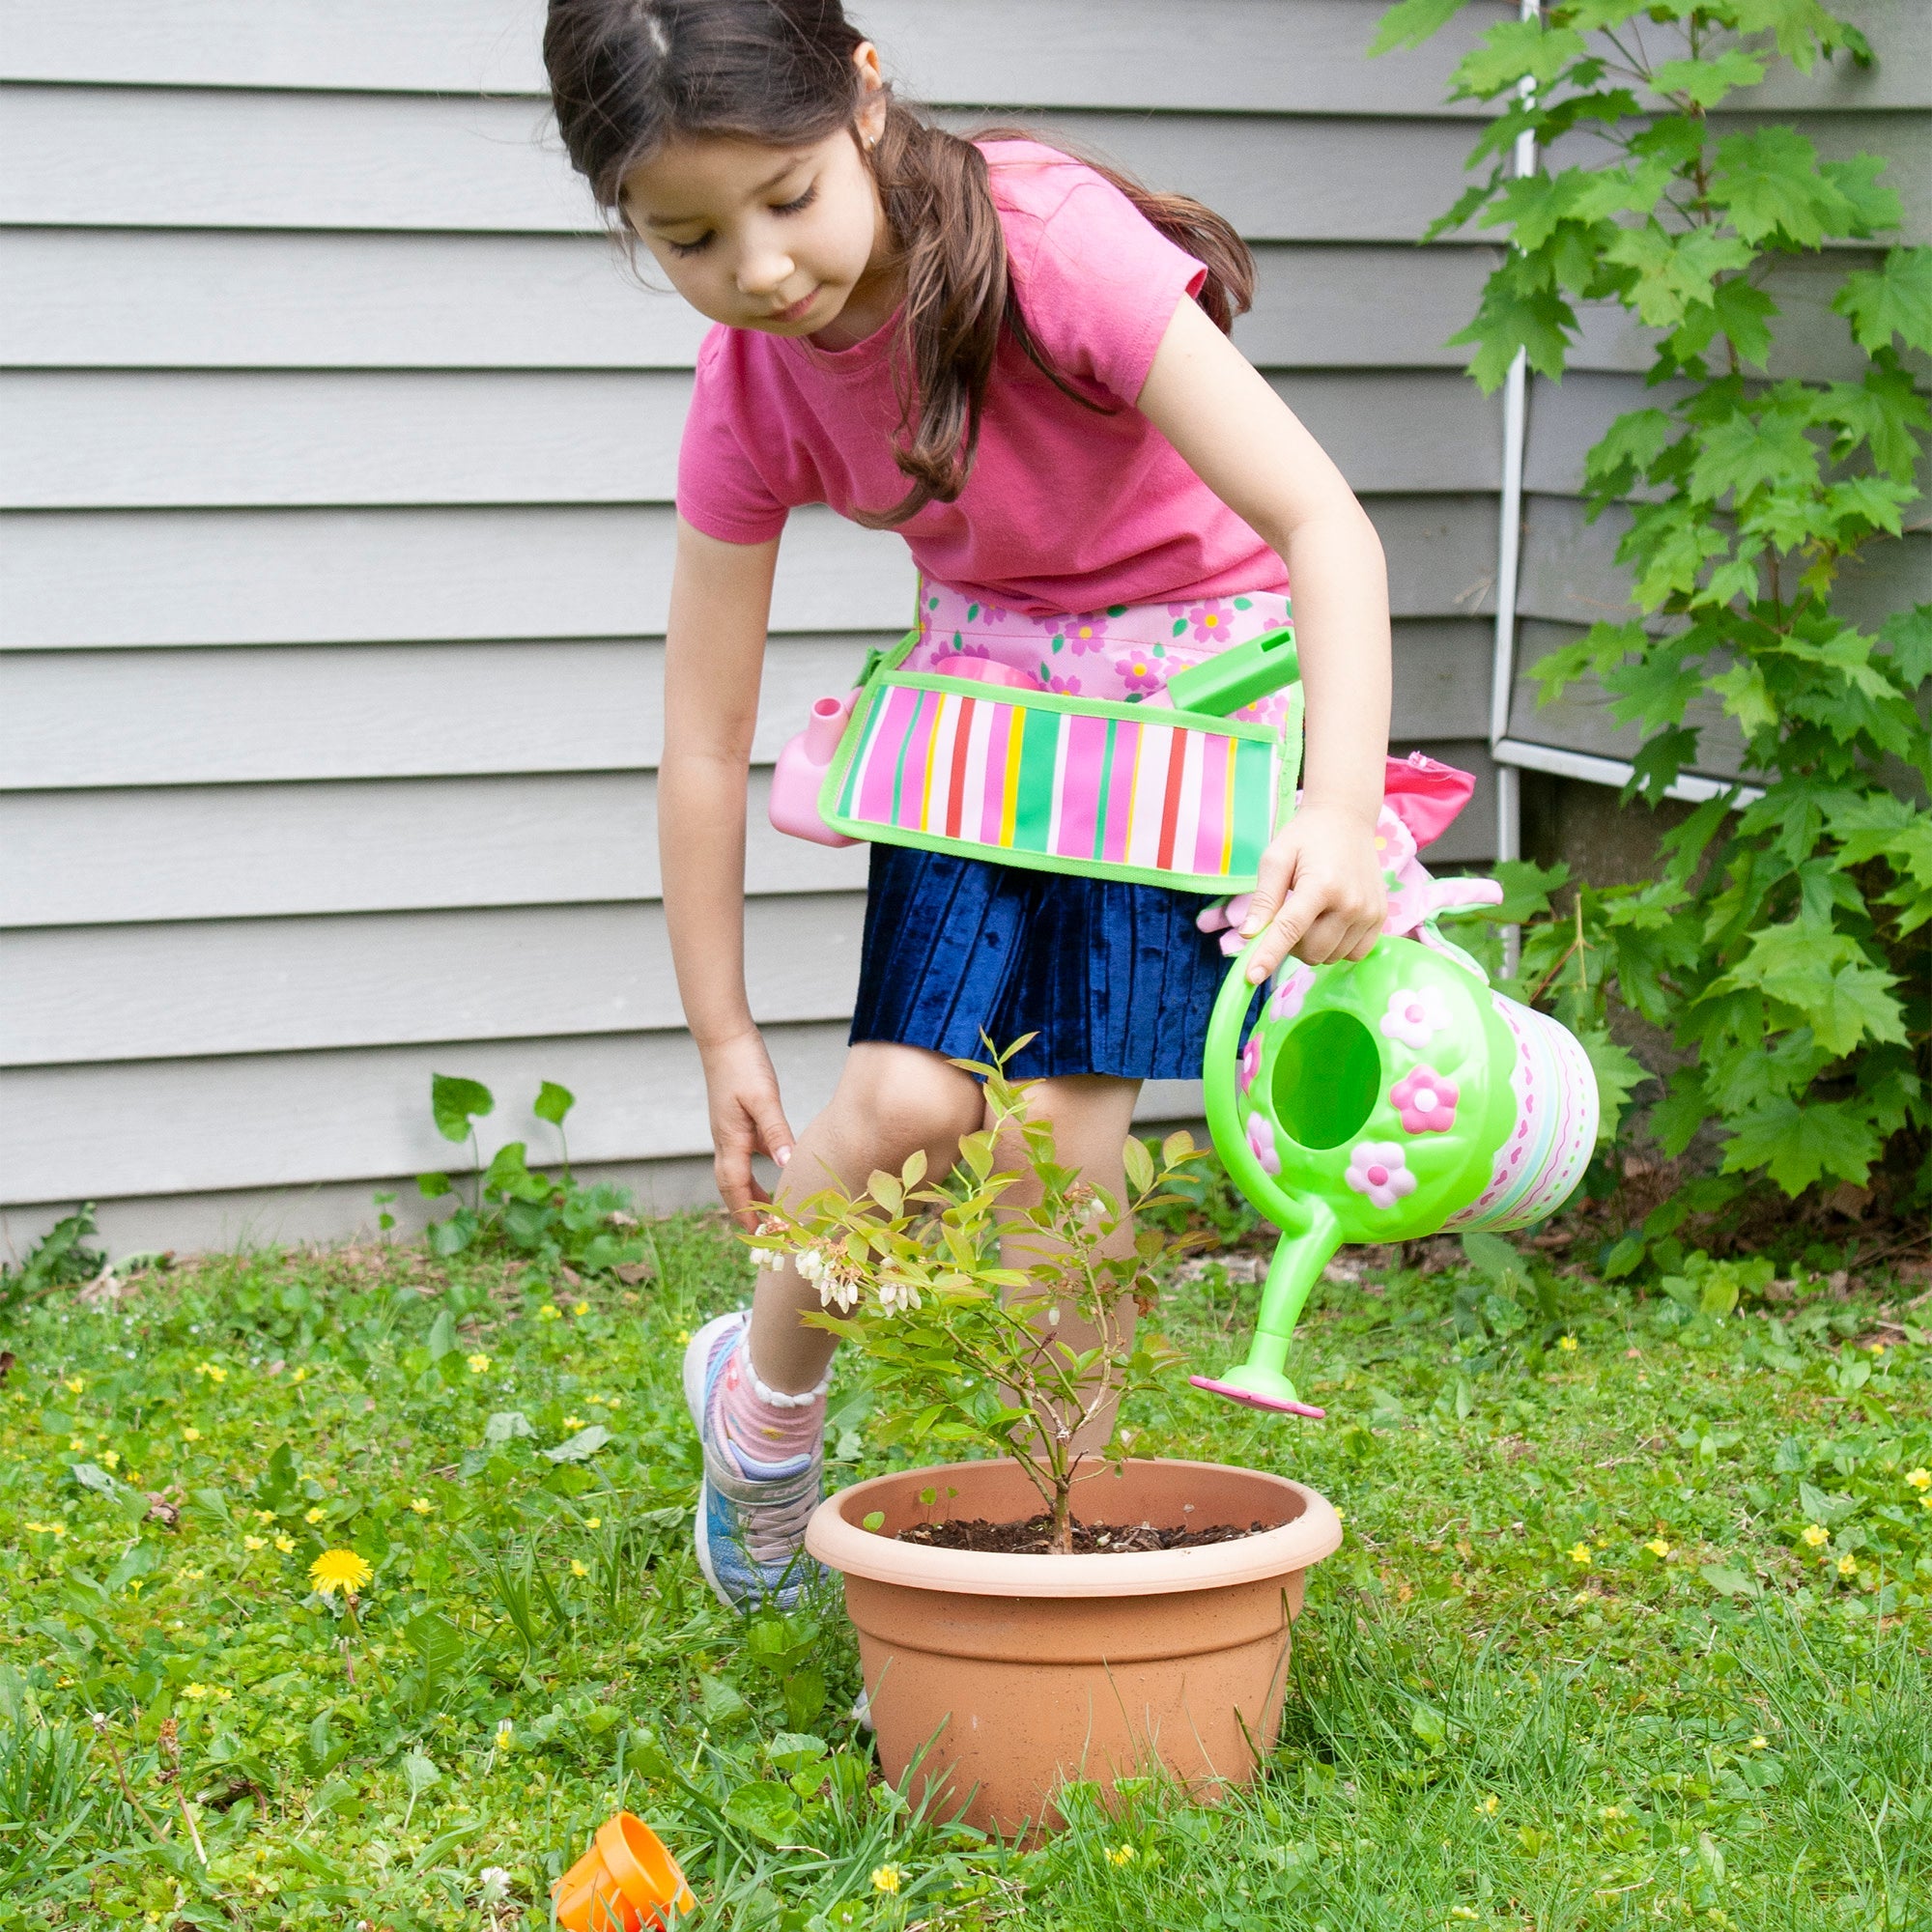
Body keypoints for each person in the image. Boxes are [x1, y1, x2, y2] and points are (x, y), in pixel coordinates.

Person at [544, 0, 1392, 1606]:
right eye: (691, 239)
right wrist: (724, 1037)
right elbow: (704, 737)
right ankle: (763, 1417)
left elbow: (1320, 522)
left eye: (786, 198)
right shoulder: (753, 386)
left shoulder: (1048, 241)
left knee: (1060, 1171)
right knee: (907, 1110)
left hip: (1182, 728)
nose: (763, 268)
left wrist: (1337, 804)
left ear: (862, 95)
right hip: (990, 723)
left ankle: (1053, 1534)